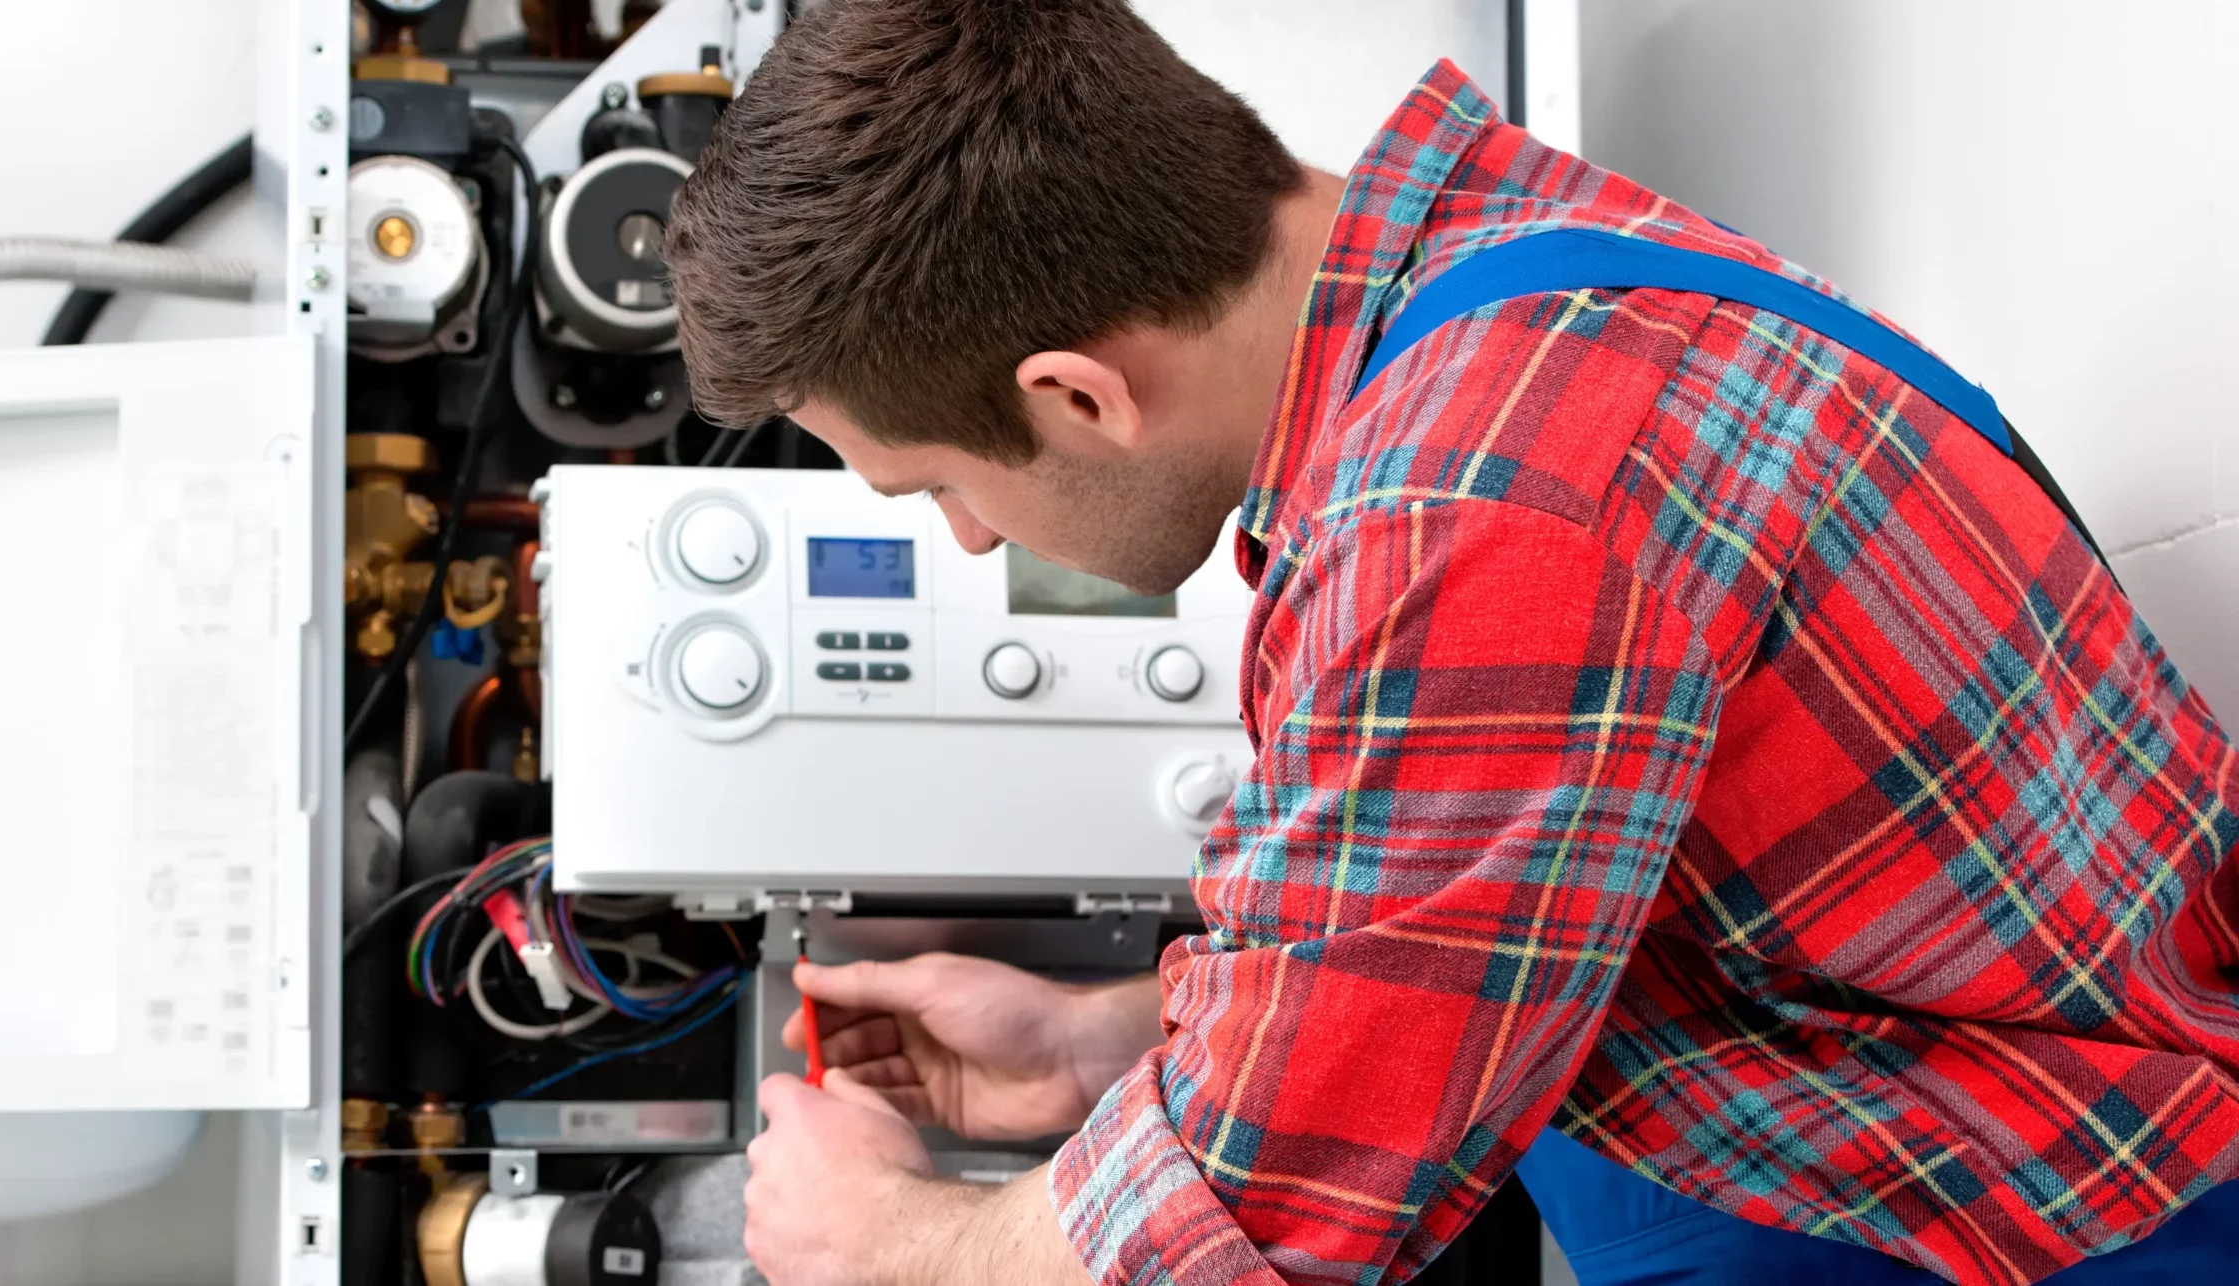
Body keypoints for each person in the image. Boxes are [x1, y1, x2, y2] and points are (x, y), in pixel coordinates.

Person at [661, 1, 2239, 1283]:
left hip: (2063, 1221)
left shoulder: (1480, 496)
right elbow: (1487, 908)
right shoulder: (1478, 270)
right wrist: (1102, 1042)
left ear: (1079, 394)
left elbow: (1267, 1218)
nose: (973, 540)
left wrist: (893, 1242)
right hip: (1868, 1119)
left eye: (935, 483)